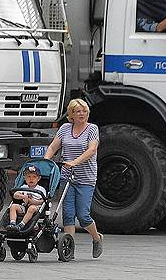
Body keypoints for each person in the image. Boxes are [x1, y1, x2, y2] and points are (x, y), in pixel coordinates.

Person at [44, 98, 103, 258]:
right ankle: (69, 248)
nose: (82, 114)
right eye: (78, 111)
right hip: (67, 177)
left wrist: (75, 162)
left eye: (84, 111)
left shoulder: (92, 129)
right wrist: (45, 161)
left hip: (85, 178)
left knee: (83, 216)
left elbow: (92, 150)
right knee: (68, 214)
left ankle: (97, 238)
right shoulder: (64, 128)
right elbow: (53, 147)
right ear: (71, 114)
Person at [7, 164, 48, 231]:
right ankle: (12, 223)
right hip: (24, 207)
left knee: (31, 208)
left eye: (34, 177)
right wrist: (23, 196)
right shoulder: (24, 187)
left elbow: (43, 201)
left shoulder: (41, 189)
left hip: (36, 208)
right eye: (28, 176)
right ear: (25, 178)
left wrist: (33, 202)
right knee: (13, 206)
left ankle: (21, 225)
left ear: (38, 179)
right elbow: (15, 195)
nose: (31, 179)